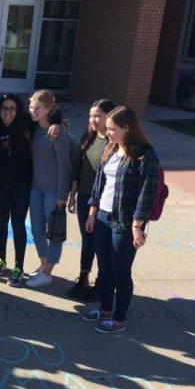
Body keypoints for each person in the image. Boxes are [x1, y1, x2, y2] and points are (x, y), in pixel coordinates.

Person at [84, 106, 160, 334]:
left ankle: (118, 320)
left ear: (126, 129)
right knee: (104, 268)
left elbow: (147, 193)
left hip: (124, 223)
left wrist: (137, 226)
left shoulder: (145, 155)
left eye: (112, 129)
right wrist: (92, 212)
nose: (107, 133)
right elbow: (99, 183)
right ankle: (105, 310)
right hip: (102, 218)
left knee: (120, 271)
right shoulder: (110, 148)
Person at [67, 99, 115, 299]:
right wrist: (72, 195)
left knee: (100, 243)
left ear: (109, 117)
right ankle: (83, 278)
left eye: (98, 116)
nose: (94, 120)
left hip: (103, 202)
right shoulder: (88, 137)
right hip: (85, 197)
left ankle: (102, 283)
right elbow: (78, 169)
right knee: (87, 240)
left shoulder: (114, 143)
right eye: (91, 116)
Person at [26, 89, 72, 289]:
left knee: (53, 232)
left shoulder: (58, 132)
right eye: (31, 107)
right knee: (36, 229)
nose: (33, 111)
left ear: (48, 109)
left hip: (53, 191)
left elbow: (65, 166)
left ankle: (48, 272)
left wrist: (63, 195)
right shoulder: (36, 128)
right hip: (36, 188)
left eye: (38, 108)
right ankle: (44, 264)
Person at [0, 94, 33, 288]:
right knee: (0, 221)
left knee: (18, 223)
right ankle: (1, 260)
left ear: (18, 111)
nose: (8, 112)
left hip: (22, 181)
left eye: (12, 108)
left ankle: (18, 266)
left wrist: (57, 122)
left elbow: (49, 116)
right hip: (0, 179)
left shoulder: (27, 125)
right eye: (4, 108)